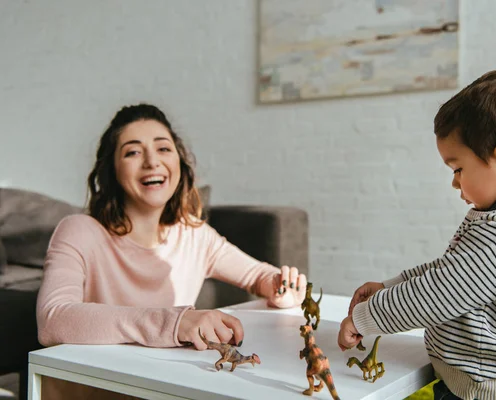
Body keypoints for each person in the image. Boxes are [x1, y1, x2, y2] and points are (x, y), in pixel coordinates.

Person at [36, 103, 306, 399]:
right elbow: (53, 319)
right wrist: (176, 324)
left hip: (159, 391)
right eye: (133, 152)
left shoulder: (194, 235)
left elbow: (258, 275)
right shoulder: (79, 230)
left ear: (179, 162)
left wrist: (281, 287)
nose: (152, 161)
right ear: (112, 170)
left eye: (163, 149)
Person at [338, 69, 496, 400]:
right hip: (475, 384)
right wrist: (391, 286)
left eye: (458, 169)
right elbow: (451, 272)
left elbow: (439, 293)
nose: (455, 182)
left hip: (495, 393)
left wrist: (364, 319)